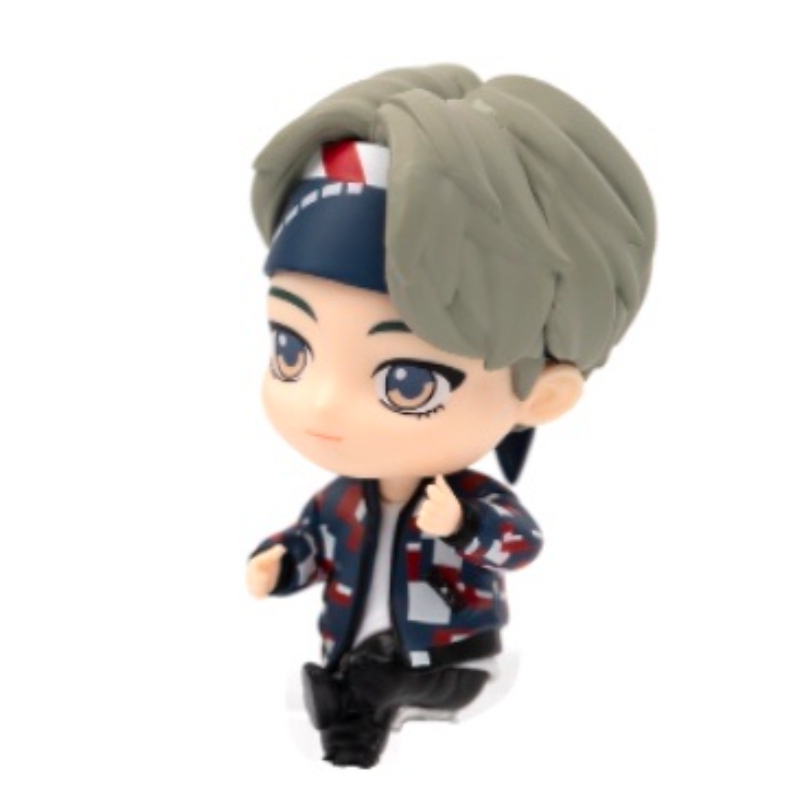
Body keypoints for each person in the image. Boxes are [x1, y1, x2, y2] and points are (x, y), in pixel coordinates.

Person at [245, 65, 656, 768]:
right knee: (354, 688)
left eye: (407, 382)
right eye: (291, 349)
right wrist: (279, 564)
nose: (321, 403)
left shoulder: (465, 499)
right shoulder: (339, 501)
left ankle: (361, 704)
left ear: (542, 395)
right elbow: (312, 542)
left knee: (380, 681)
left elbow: (518, 544)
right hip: (349, 643)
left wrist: (462, 524)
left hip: (447, 656)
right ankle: (348, 717)